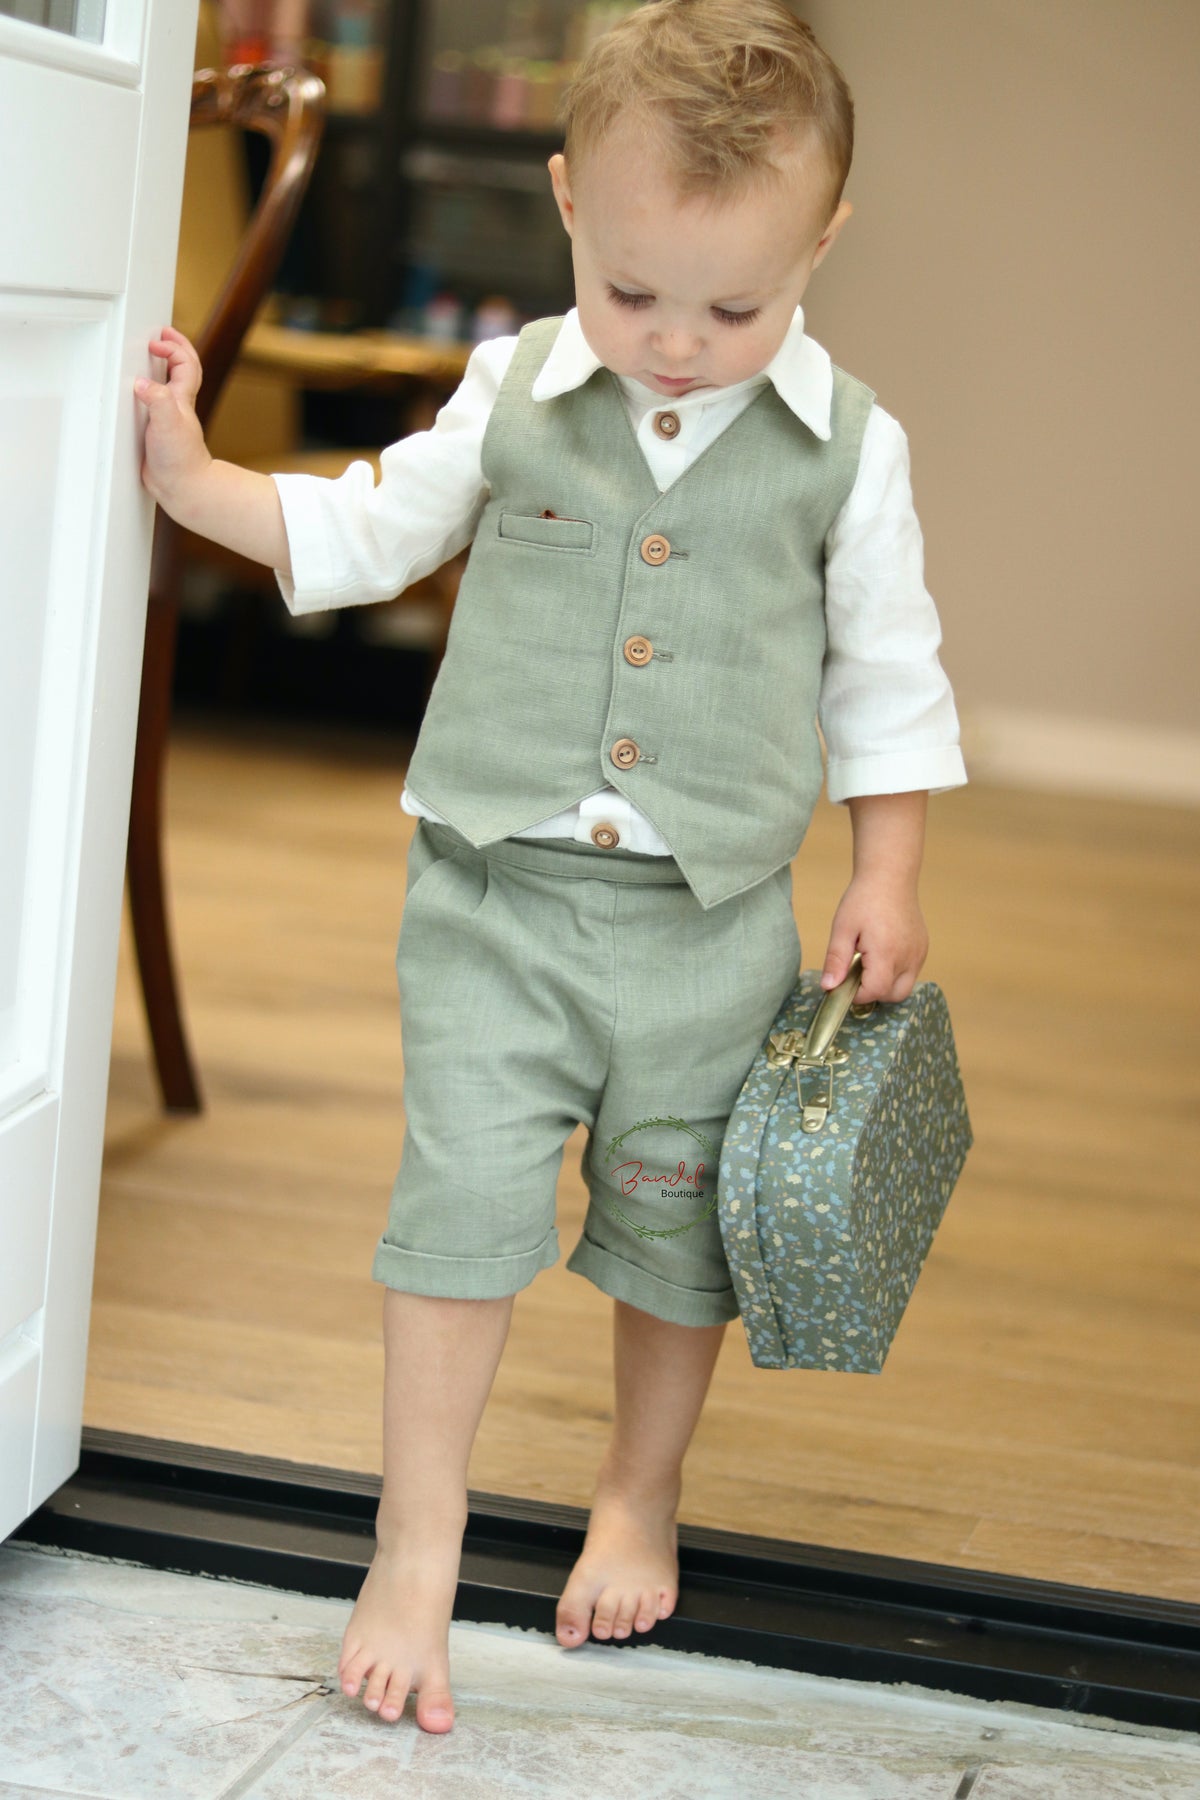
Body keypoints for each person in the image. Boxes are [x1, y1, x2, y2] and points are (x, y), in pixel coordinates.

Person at [134, 0, 966, 1735]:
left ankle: (637, 1490)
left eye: (735, 307)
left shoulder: (851, 450)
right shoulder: (512, 384)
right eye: (635, 292)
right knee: (458, 1216)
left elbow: (888, 675)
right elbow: (372, 523)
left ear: (822, 243)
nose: (676, 342)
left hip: (716, 933)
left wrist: (886, 869)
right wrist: (200, 479)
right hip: (494, 907)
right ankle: (414, 1548)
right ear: (568, 201)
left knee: (678, 1235)